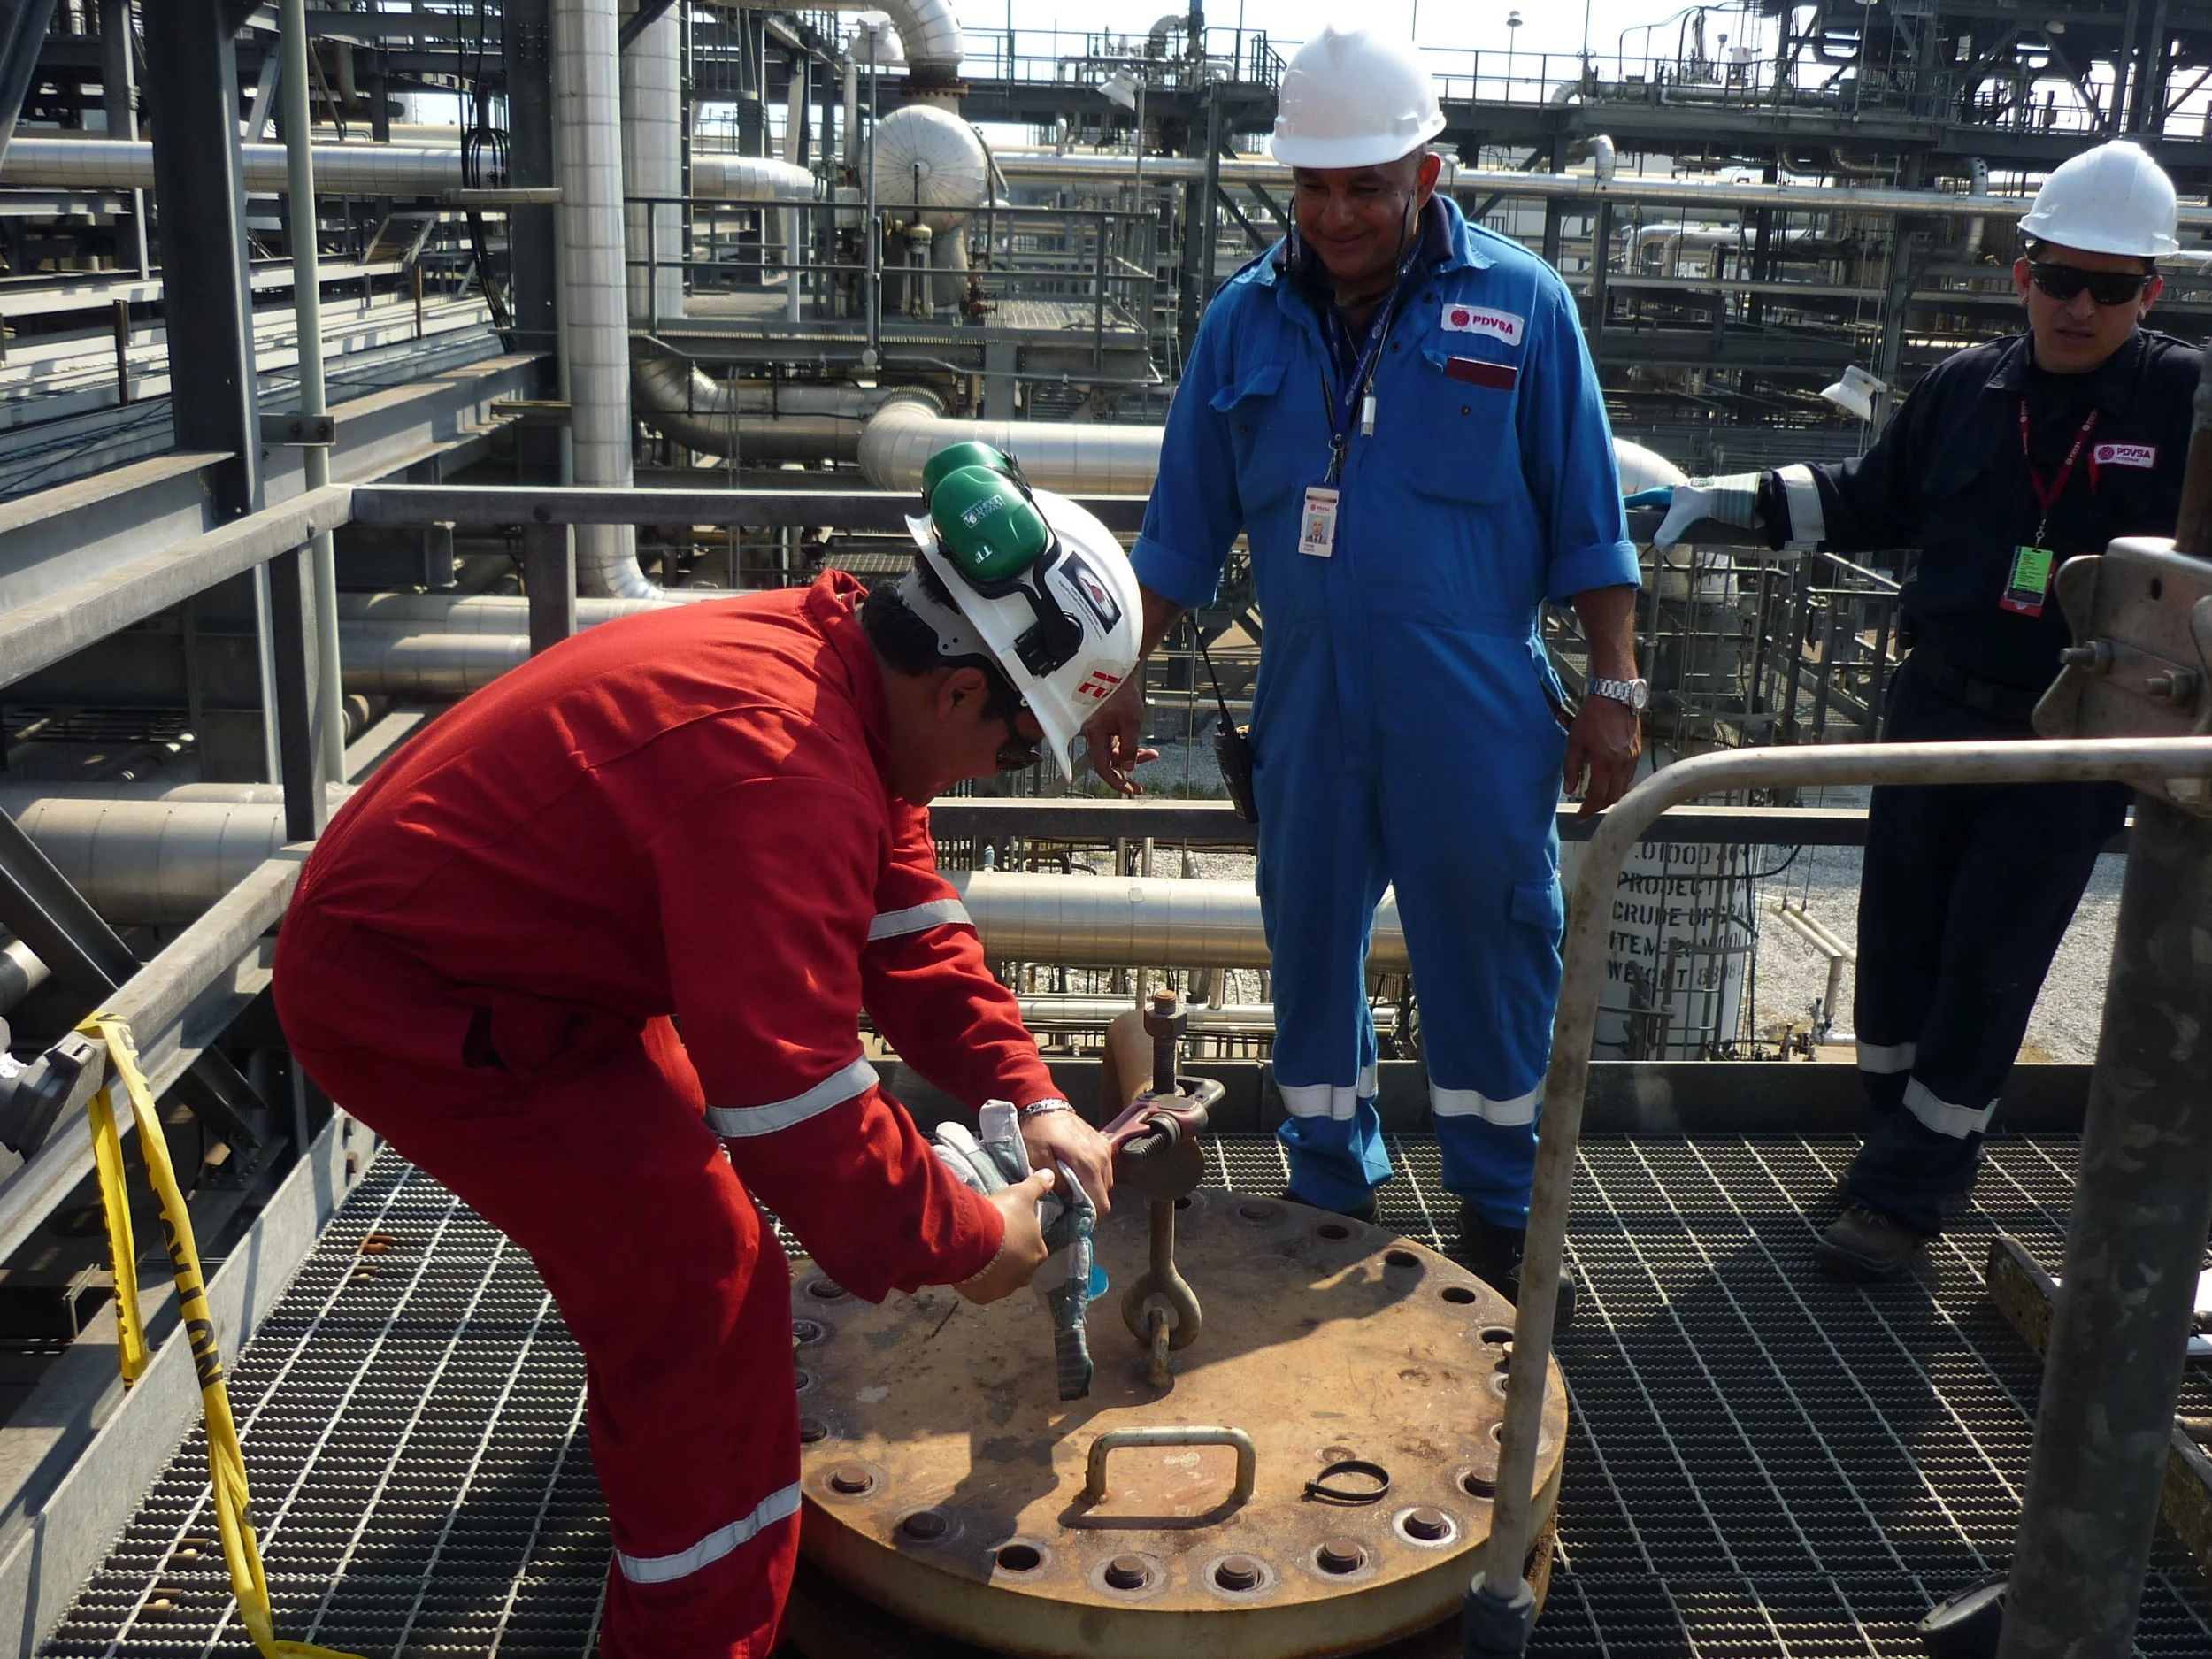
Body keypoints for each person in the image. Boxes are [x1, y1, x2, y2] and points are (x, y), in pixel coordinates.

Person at [273, 463, 1141, 1658]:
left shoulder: (838, 671)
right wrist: (972, 1240)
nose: (995, 770)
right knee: (704, 1296)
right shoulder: (786, 767)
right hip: (419, 997)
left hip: (530, 969)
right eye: (1013, 751)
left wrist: (1027, 1090)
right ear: (956, 692)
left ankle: (673, 1479)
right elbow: (795, 1108)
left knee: (693, 1256)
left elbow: (910, 924)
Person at [1085, 22, 1644, 1319]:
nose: (1335, 215)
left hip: (1475, 702)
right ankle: (1331, 1191)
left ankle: (1504, 1217)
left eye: (1364, 189)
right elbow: (1180, 522)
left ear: (1426, 178)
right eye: (1313, 187)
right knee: (1313, 952)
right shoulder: (1243, 323)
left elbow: (1587, 516)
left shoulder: (1521, 306)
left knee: (1493, 951)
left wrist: (1612, 684)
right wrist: (1122, 671)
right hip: (1306, 701)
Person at [1639, 139, 2191, 1279]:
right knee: (1896, 949)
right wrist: (1729, 499)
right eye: (2059, 277)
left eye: (2112, 286)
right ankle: (1890, 1142)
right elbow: (1869, 497)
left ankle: (1906, 1195)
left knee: (1992, 956)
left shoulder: (2184, 403)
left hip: (2068, 733)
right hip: (1934, 705)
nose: (2079, 306)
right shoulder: (1964, 390)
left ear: (2154, 290)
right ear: (2020, 271)